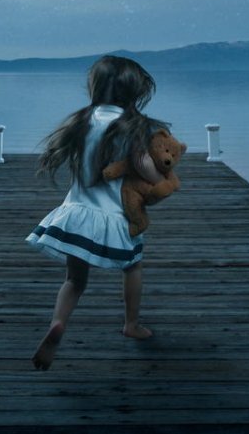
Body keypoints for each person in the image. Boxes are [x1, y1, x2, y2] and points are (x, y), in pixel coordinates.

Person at [25, 54, 168, 370]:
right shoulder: (132, 128)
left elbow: (58, 153)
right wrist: (161, 179)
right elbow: (149, 172)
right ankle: (131, 324)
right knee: (132, 267)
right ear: (134, 91)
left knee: (74, 280)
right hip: (115, 218)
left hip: (76, 215)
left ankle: (58, 322)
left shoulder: (81, 120)